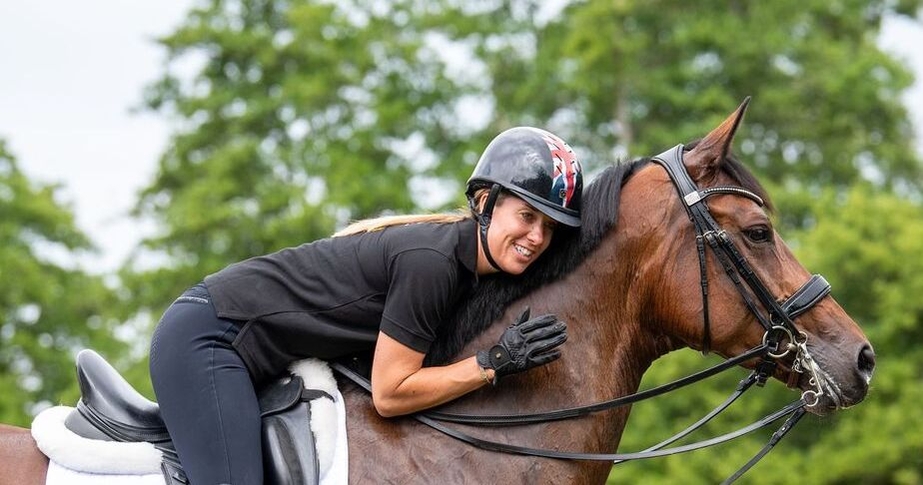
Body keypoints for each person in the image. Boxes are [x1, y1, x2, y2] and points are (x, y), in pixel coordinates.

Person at [148, 126, 584, 484]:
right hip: (207, 338)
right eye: (527, 217)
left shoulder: (460, 268)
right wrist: (492, 363)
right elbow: (391, 395)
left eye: (549, 228)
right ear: (487, 202)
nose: (537, 239)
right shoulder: (433, 265)